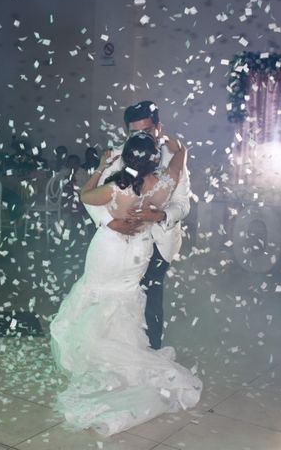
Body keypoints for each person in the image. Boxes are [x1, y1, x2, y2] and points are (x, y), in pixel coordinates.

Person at [50, 131, 201, 435]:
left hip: (110, 250)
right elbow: (177, 165)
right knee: (125, 302)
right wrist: (177, 147)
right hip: (139, 252)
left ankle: (94, 359)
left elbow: (83, 194)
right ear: (153, 161)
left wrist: (100, 165)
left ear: (127, 156)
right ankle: (125, 360)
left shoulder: (113, 188)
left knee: (94, 294)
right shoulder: (161, 186)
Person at [85, 101, 191, 350]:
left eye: (147, 130)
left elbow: (182, 204)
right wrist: (111, 222)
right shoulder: (118, 154)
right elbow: (94, 199)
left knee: (151, 298)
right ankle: (114, 349)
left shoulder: (172, 156)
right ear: (127, 132)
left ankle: (150, 351)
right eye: (135, 133)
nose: (141, 137)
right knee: (113, 297)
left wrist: (159, 216)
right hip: (119, 243)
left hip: (158, 242)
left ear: (158, 128)